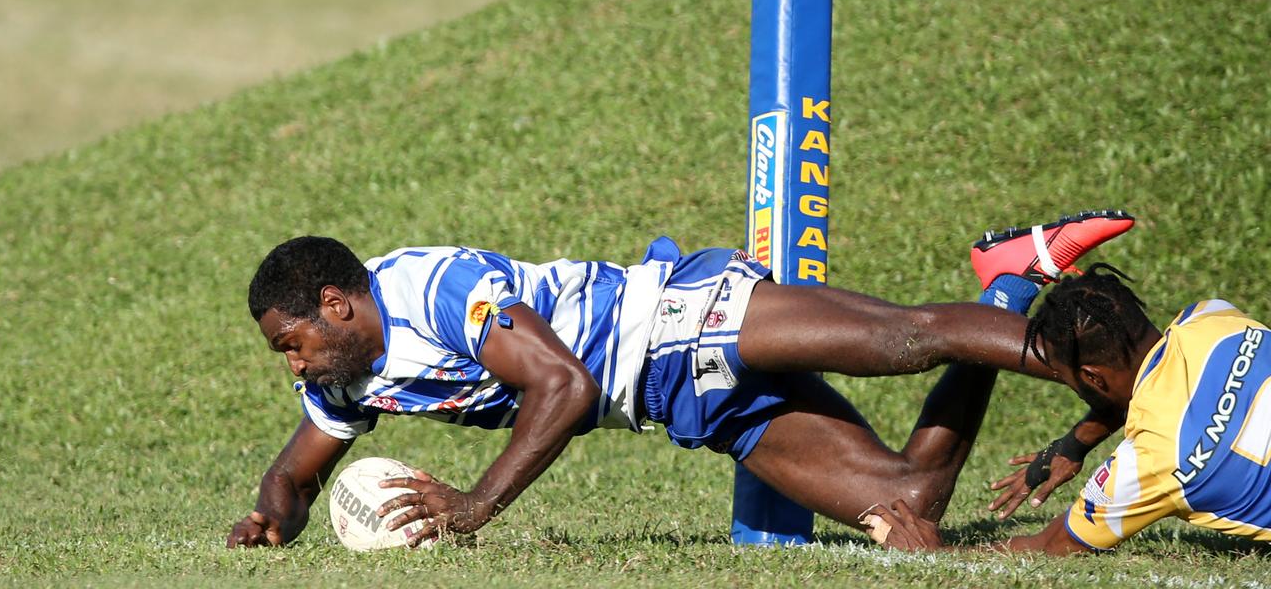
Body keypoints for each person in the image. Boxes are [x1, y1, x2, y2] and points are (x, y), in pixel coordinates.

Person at [226, 210, 1134, 549]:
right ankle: (1011, 279)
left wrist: (475, 505)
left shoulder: (432, 288)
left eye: (293, 344)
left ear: (338, 303)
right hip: (675, 402)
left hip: (679, 318)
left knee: (908, 338)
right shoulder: (345, 378)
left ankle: (1136, 379)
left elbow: (565, 387)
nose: (296, 365)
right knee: (909, 503)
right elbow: (297, 469)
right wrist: (274, 515)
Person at [863, 265, 1271, 554]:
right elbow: (1163, 383)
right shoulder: (1216, 319)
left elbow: (1051, 545)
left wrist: (936, 552)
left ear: (1092, 378)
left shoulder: (1148, 462)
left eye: (1073, 382)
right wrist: (1075, 444)